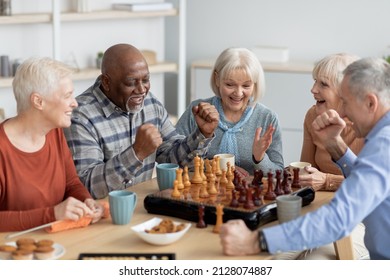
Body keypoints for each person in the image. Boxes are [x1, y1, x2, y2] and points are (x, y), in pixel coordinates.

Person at [220, 57, 390, 260]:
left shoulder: (383, 144)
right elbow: (367, 182)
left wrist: (255, 241)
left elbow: (338, 218)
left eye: (345, 102)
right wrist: (335, 146)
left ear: (371, 103)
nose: (342, 112)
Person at [64, 44, 219, 199]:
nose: (141, 89)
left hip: (140, 206)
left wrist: (201, 134)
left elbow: (173, 159)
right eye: (131, 82)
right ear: (106, 82)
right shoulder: (80, 116)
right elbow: (86, 188)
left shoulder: (150, 103)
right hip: (101, 215)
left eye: (146, 80)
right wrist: (136, 153)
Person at [0, 57, 104, 232]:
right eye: (67, 95)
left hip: (57, 241)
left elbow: (71, 184)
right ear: (38, 101)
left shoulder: (54, 132)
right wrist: (52, 214)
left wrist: (87, 202)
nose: (75, 103)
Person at [175, 47, 284, 175]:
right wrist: (216, 167)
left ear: (255, 84)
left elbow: (280, 174)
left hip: (250, 194)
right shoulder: (198, 111)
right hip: (204, 192)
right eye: (230, 85)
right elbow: (172, 158)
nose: (238, 93)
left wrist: (259, 158)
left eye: (246, 86)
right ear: (217, 79)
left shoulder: (267, 118)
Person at [299, 53, 364, 191]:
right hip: (323, 199)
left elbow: (371, 183)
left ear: (346, 92)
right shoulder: (312, 116)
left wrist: (327, 181)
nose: (313, 89)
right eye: (315, 81)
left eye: (323, 84)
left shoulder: (369, 125)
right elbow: (307, 169)